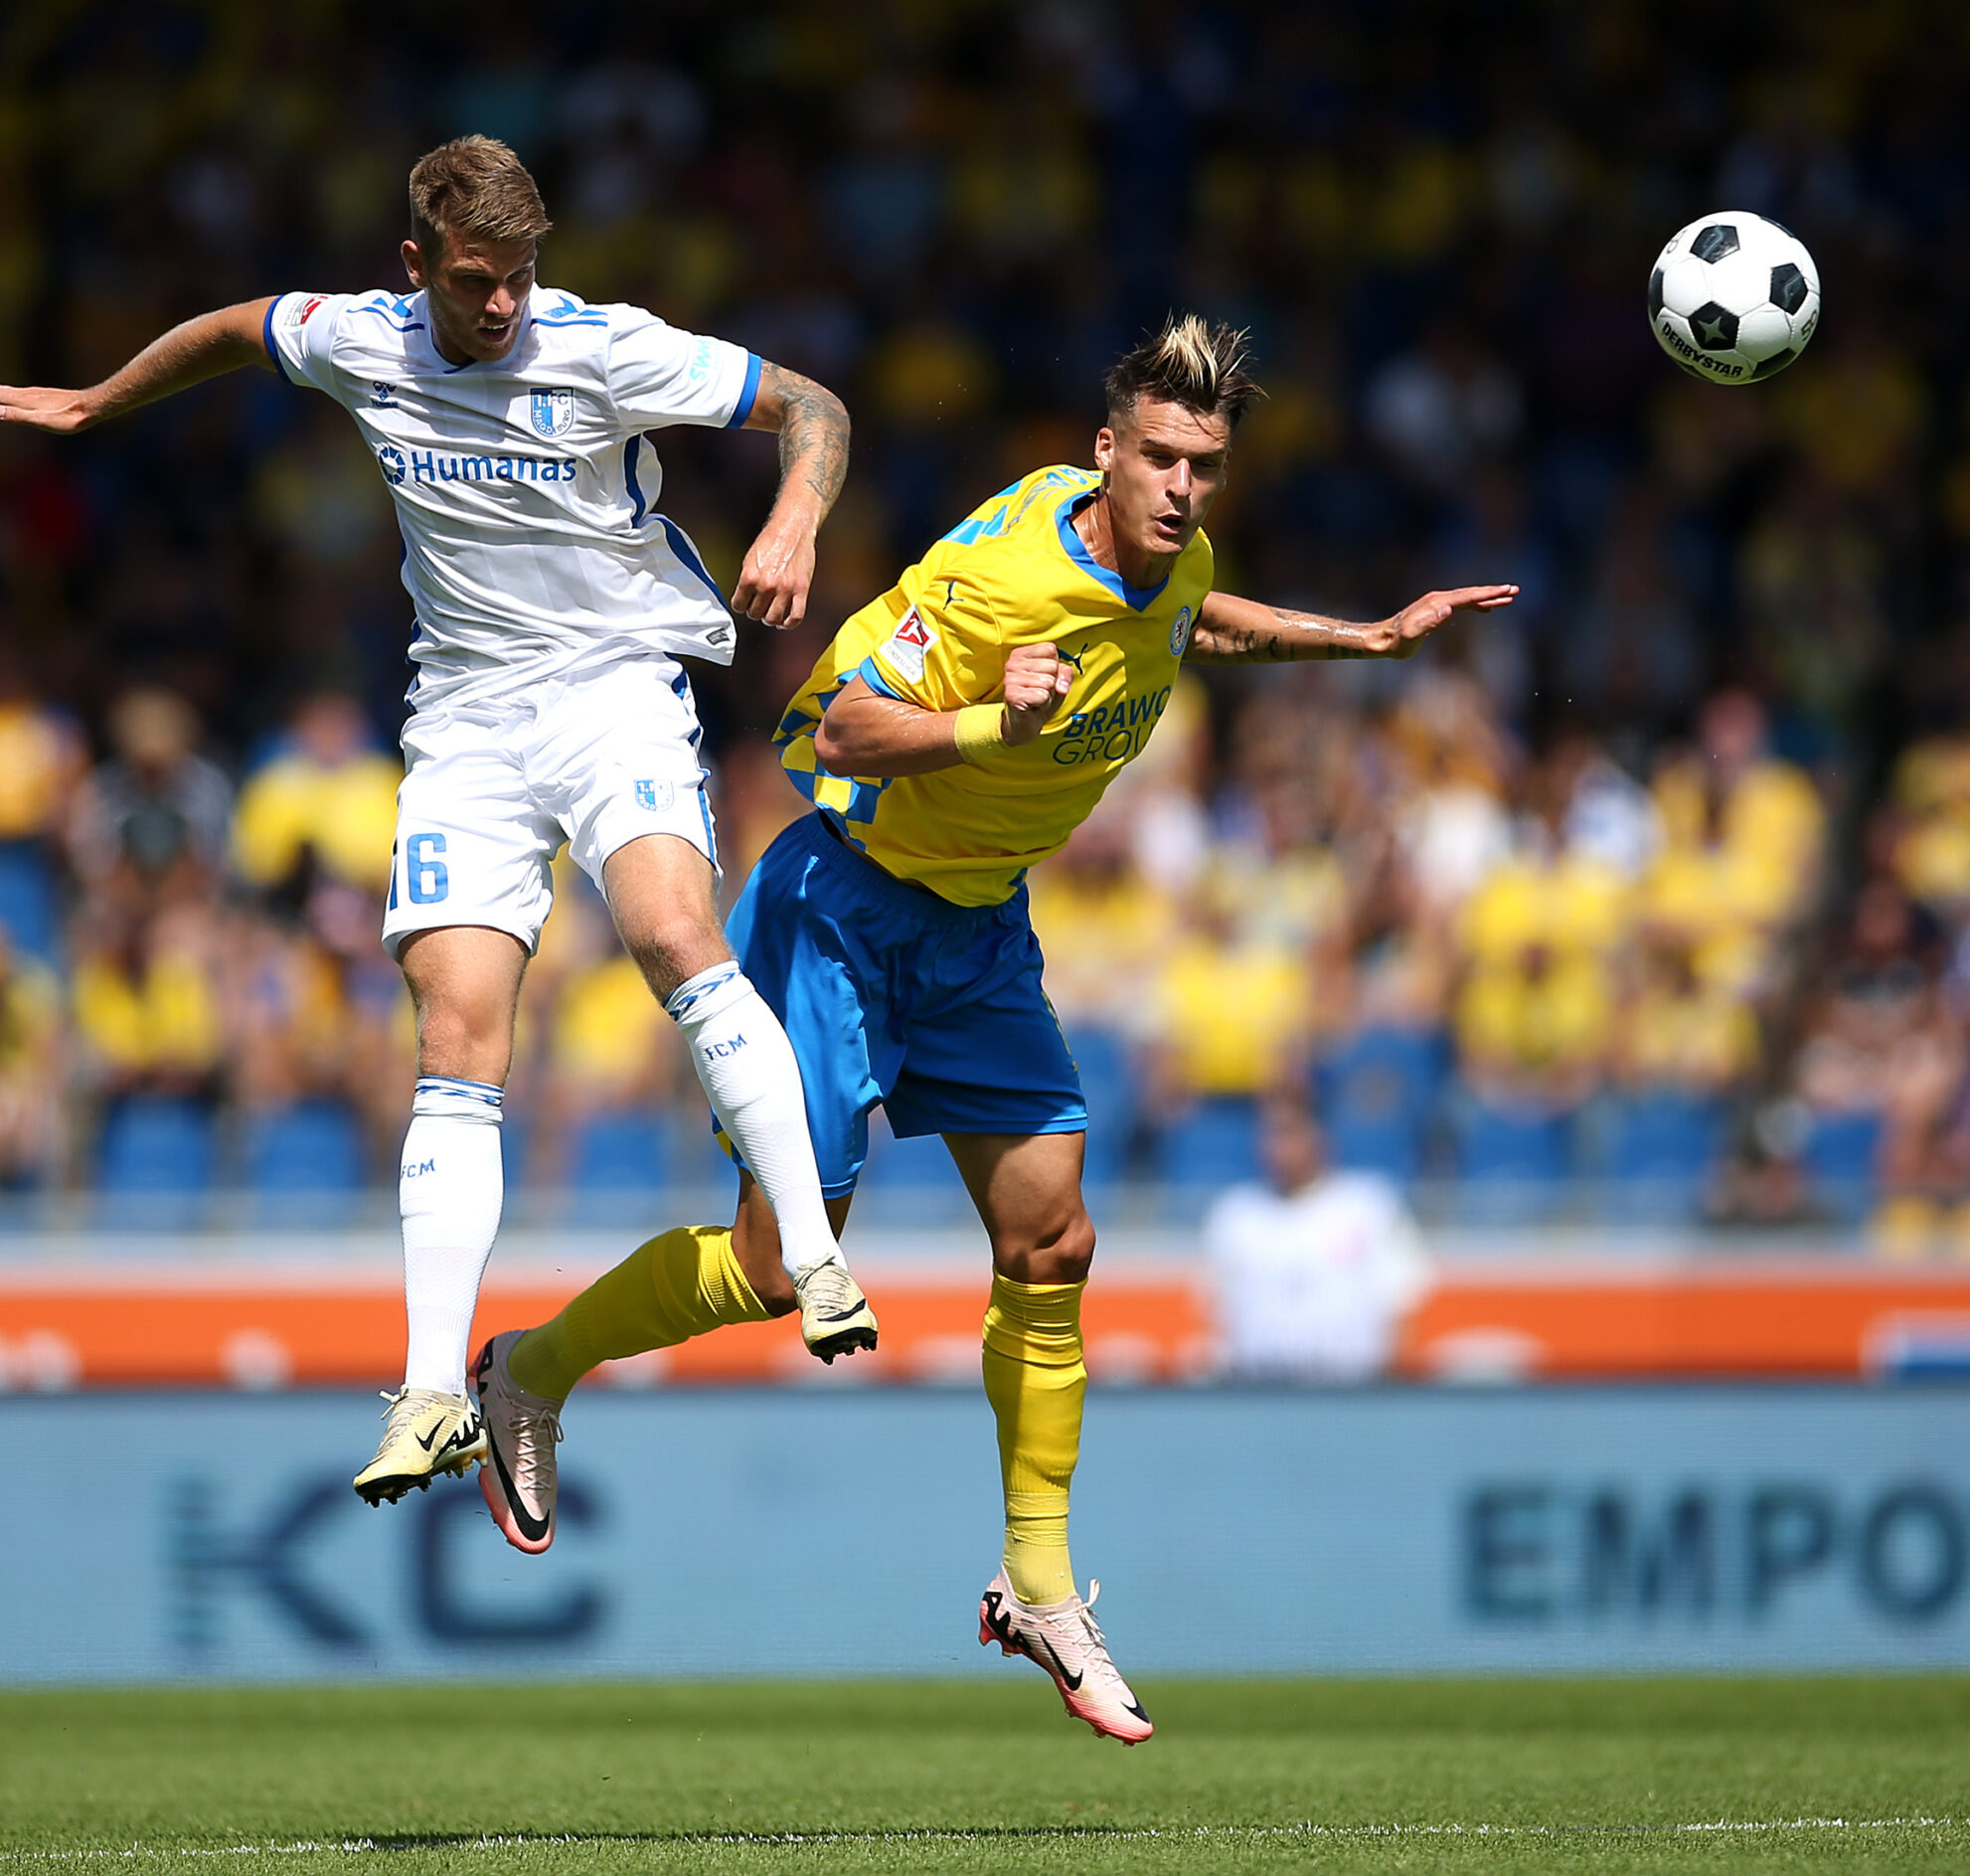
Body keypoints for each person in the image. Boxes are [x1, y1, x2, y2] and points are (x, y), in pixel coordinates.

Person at [464, 315, 1515, 1742]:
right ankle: (532, 1366)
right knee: (778, 1270)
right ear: (1105, 449)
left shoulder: (1178, 555)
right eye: (1158, 455)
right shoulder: (999, 572)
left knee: (1055, 1239)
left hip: (975, 932)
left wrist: (1366, 635)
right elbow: (831, 728)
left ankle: (1037, 1581)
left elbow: (1197, 616)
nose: (1183, 486)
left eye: (1205, 463)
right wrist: (984, 729)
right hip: (841, 904)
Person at [0, 135, 870, 1502]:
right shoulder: (363, 340)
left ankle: (811, 1255)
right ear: (415, 267)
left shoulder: (602, 347)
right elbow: (236, 329)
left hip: (613, 684)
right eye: (476, 281)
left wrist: (797, 517)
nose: (504, 304)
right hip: (465, 717)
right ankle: (438, 1387)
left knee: (673, 932)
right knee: (454, 1032)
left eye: (519, 277)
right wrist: (102, 401)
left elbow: (814, 405)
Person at [1203, 1093, 1430, 1384]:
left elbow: (1404, 1305)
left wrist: (1386, 1399)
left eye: (1287, 1132)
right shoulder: (1234, 1214)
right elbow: (1215, 1315)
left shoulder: (1370, 1204)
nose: (1275, 1147)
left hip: (1352, 1395)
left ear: (1319, 1137)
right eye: (1268, 1134)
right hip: (1260, 1396)